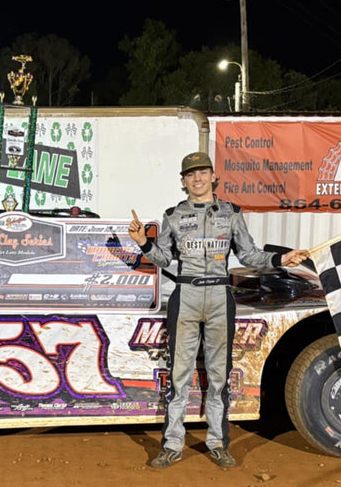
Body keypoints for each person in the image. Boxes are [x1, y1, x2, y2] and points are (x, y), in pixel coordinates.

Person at [129, 151, 309, 469]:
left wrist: (281, 259)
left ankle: (217, 442)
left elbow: (250, 254)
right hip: (185, 295)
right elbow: (161, 258)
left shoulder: (232, 213)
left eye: (203, 172)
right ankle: (172, 444)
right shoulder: (172, 215)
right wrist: (143, 243)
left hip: (218, 297)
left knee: (218, 376)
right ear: (183, 181)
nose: (197, 178)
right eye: (190, 174)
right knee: (179, 375)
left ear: (213, 177)